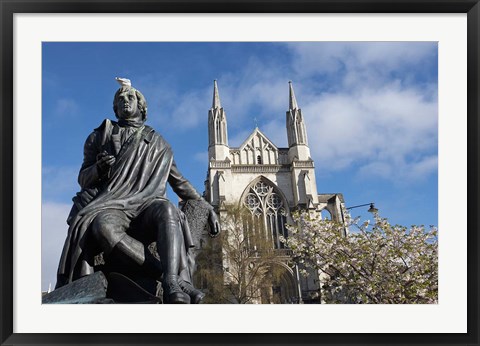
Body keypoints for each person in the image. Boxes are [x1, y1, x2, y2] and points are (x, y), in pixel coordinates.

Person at [56, 78, 220, 304]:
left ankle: (172, 281)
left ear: (141, 106)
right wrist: (99, 168)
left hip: (146, 205)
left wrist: (207, 206)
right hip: (113, 204)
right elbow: (83, 178)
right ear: (115, 108)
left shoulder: (158, 143)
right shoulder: (99, 136)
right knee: (103, 226)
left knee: (167, 210)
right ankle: (165, 274)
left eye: (130, 97)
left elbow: (178, 181)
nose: (125, 101)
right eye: (120, 99)